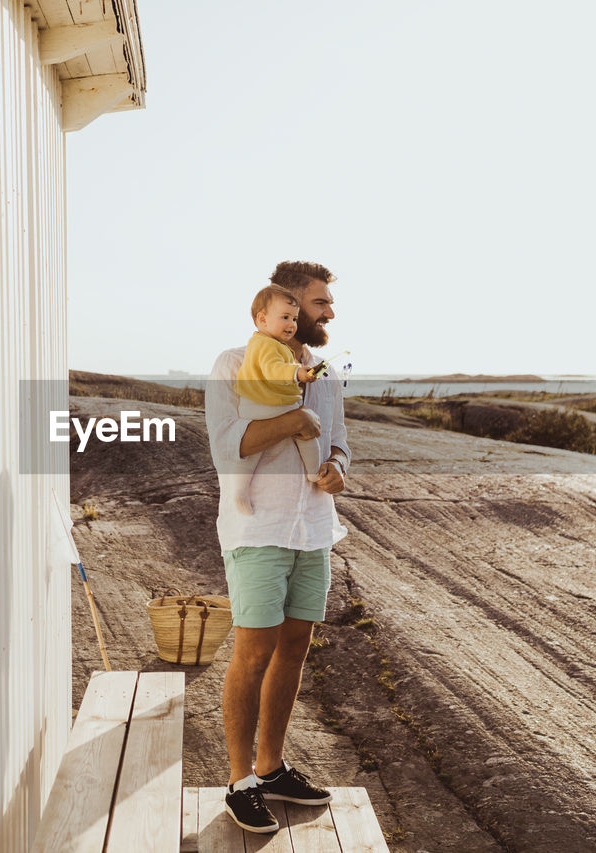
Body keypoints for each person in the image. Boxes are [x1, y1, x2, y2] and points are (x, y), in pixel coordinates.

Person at [204, 260, 351, 834]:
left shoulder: (325, 372)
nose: (328, 313)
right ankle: (241, 782)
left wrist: (338, 468)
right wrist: (294, 420)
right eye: (319, 304)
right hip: (258, 529)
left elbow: (339, 442)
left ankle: (271, 768)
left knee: (294, 648)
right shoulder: (233, 365)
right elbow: (228, 447)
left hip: (314, 528)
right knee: (253, 652)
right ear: (283, 304)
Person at [230, 284, 321, 515]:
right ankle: (314, 472)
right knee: (304, 436)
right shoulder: (265, 344)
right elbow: (272, 369)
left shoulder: (271, 344)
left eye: (294, 318)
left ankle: (241, 492)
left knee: (255, 455)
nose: (292, 324)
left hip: (267, 403)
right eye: (285, 317)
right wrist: (297, 372)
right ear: (262, 319)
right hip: (267, 404)